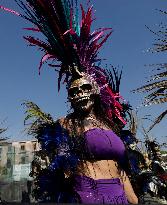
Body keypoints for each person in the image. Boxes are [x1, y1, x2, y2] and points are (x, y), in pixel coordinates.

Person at [1, 0, 138, 203]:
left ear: (95, 90)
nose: (79, 94)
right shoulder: (66, 124)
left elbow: (121, 165)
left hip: (119, 195)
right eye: (73, 91)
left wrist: (132, 197)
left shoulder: (110, 123)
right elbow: (63, 165)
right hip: (88, 195)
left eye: (84, 88)